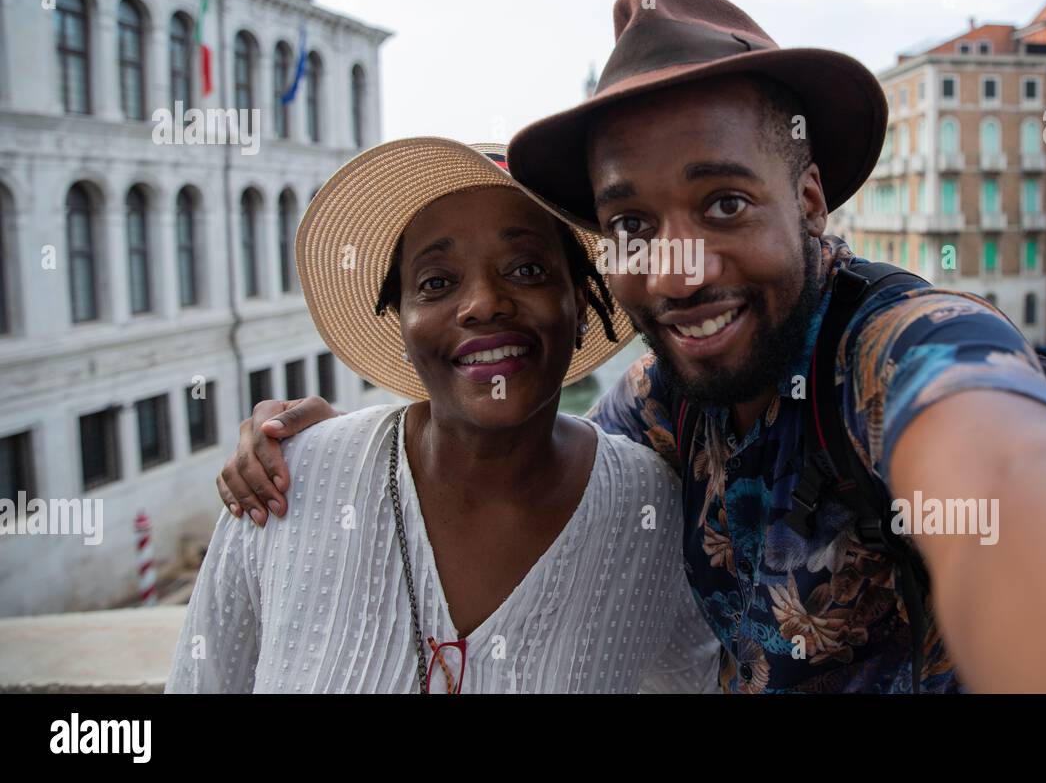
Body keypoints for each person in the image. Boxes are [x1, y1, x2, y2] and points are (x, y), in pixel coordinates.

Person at [217, 0, 1046, 693]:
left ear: (811, 200)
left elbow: (1011, 474)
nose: (679, 265)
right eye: (633, 222)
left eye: (723, 203)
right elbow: (517, 441)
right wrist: (336, 445)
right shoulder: (656, 400)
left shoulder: (904, 345)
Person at [168, 138, 721, 693]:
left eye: (527, 269)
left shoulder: (652, 511)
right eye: (436, 282)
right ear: (402, 325)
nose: (483, 302)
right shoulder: (287, 484)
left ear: (580, 302)